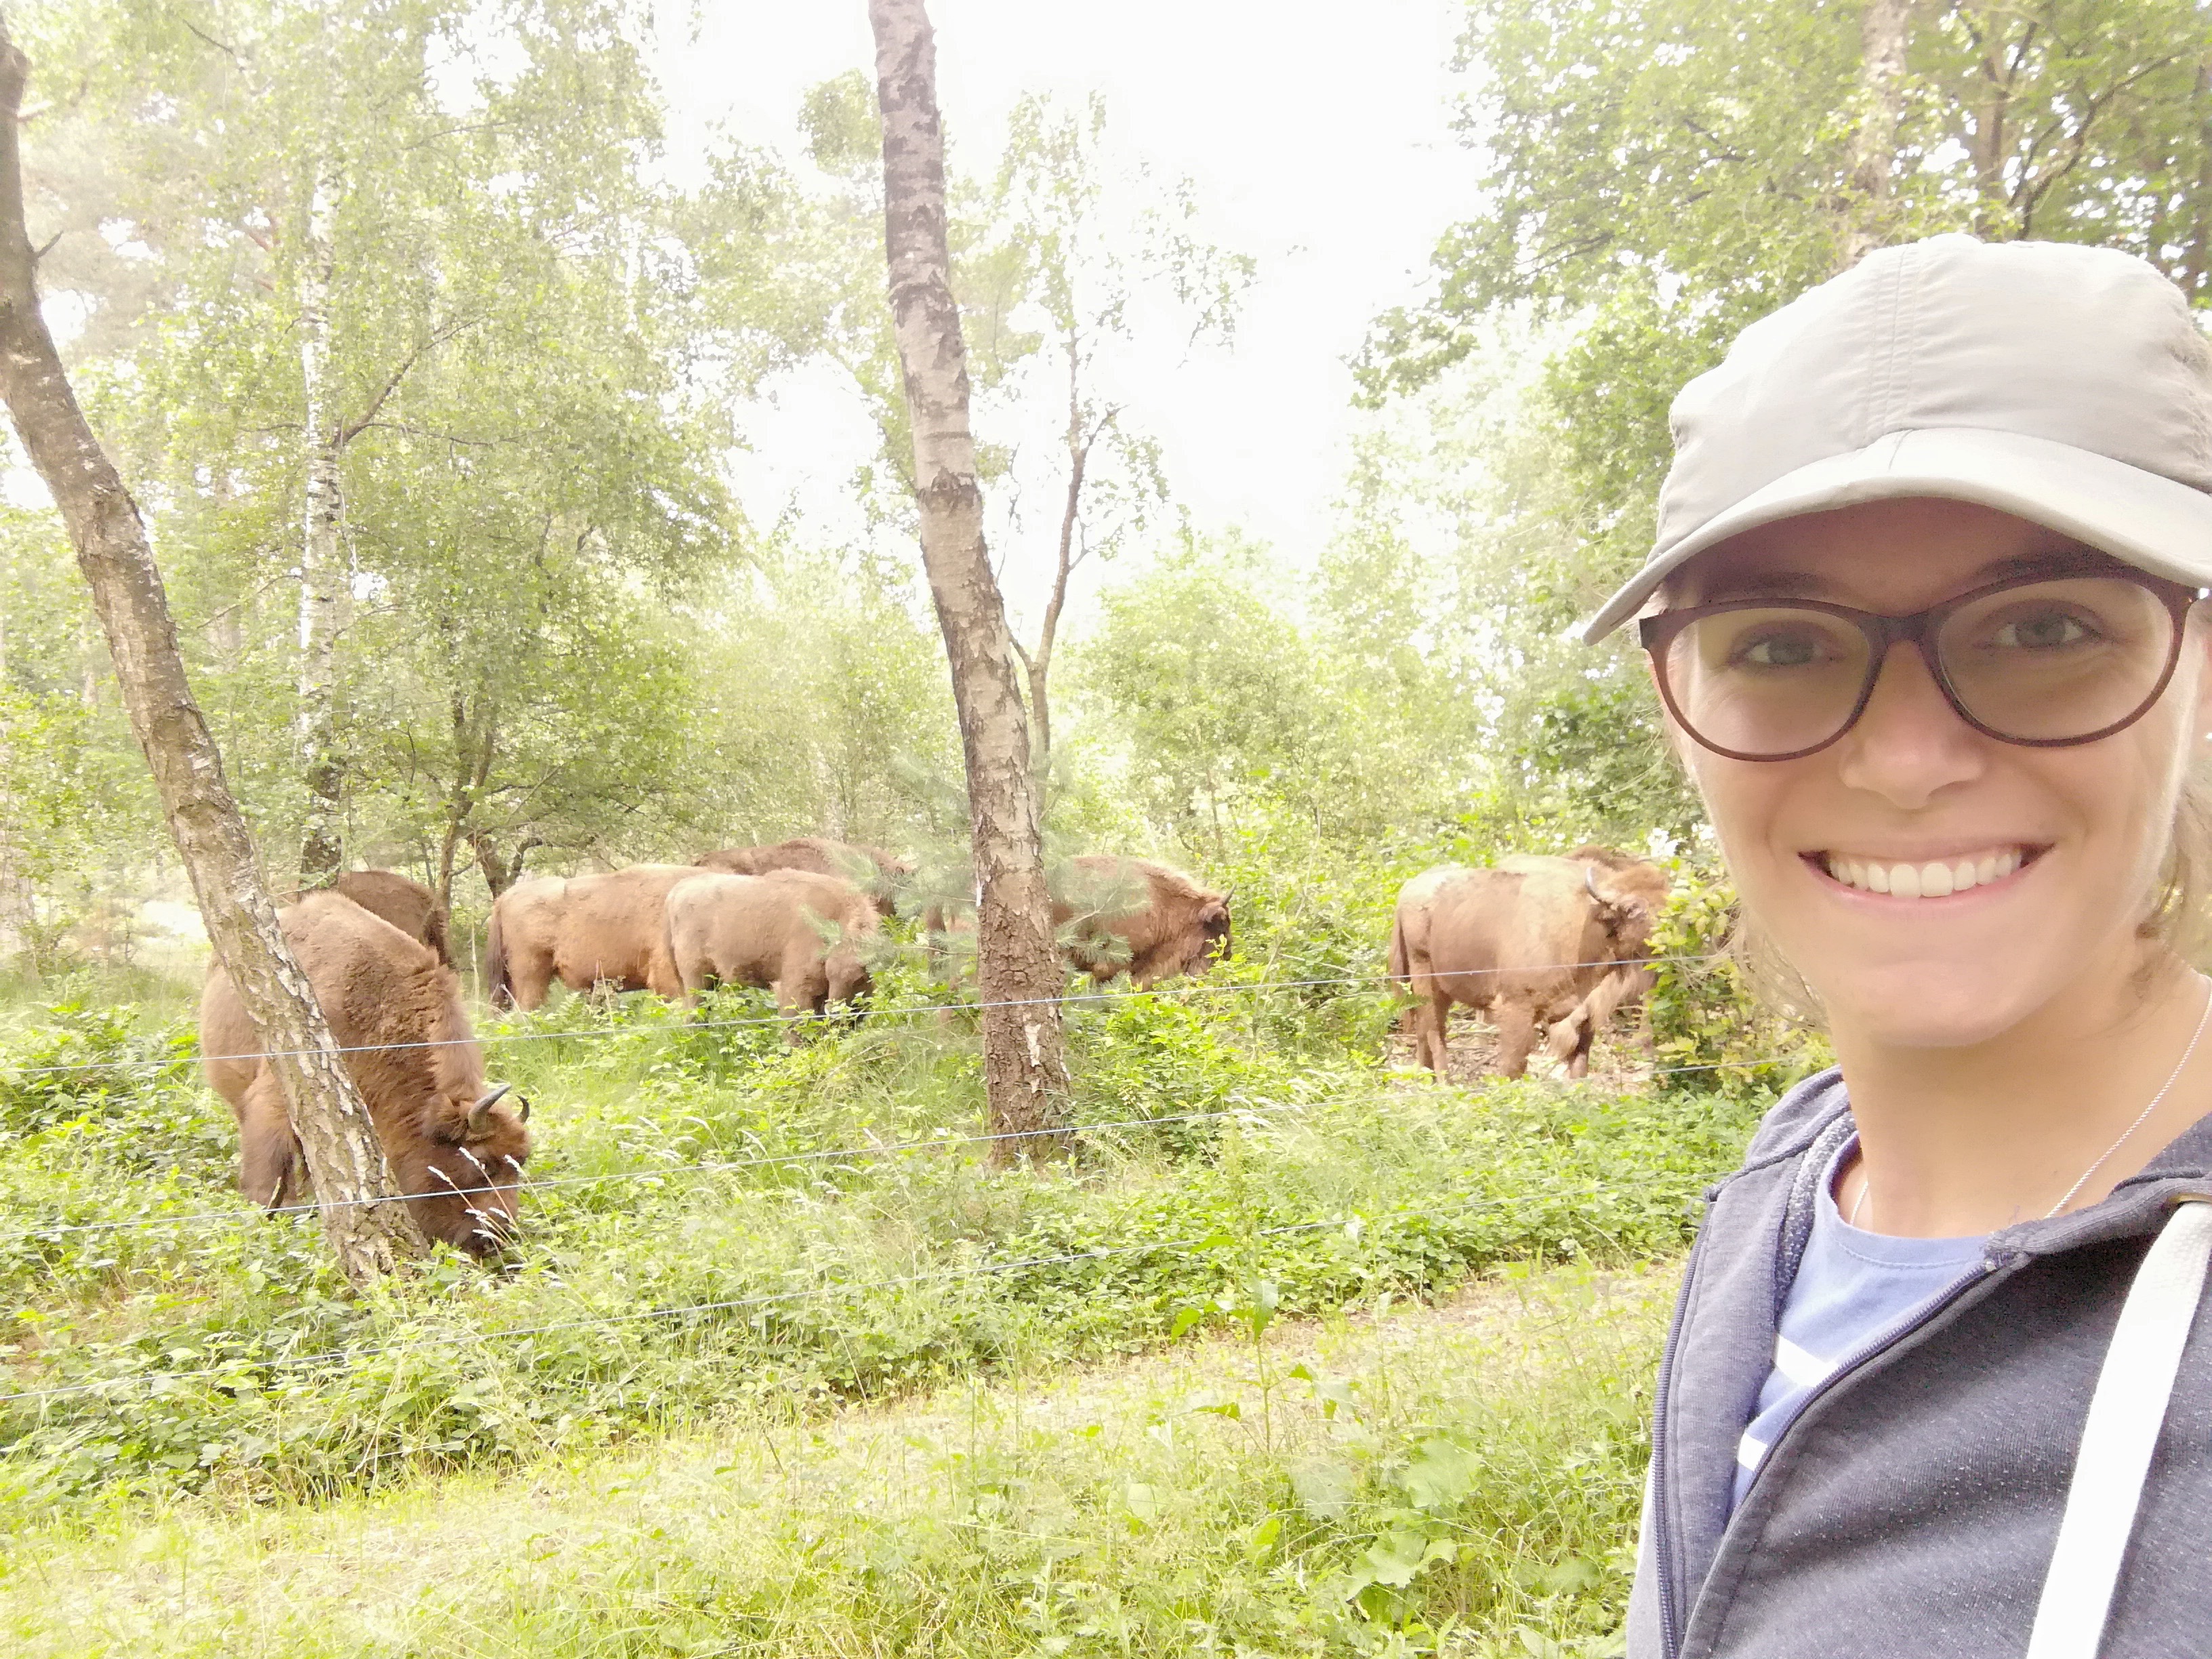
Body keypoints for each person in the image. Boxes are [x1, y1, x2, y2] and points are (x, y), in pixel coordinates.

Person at [1585, 234, 2212, 1658]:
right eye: (1783, 645)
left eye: (2042, 625)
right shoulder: (1781, 1195)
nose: (1908, 758)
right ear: (1681, 704)